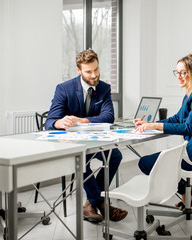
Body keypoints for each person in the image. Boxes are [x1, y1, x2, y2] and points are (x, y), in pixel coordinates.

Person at [45, 49, 128, 223]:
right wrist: (59, 123)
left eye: (96, 69)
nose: (94, 75)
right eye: (88, 71)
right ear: (79, 70)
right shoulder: (64, 89)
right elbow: (50, 121)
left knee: (115, 155)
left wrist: (82, 120)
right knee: (81, 159)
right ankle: (102, 204)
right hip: (71, 144)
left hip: (93, 141)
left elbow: (108, 117)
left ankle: (90, 204)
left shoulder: (104, 88)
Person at [134, 51, 192, 209]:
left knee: (145, 163)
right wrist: (150, 123)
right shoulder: (190, 94)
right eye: (177, 72)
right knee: (151, 162)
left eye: (183, 73)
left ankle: (187, 190)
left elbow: (188, 127)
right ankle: (188, 191)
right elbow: (177, 119)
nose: (179, 76)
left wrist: (155, 126)